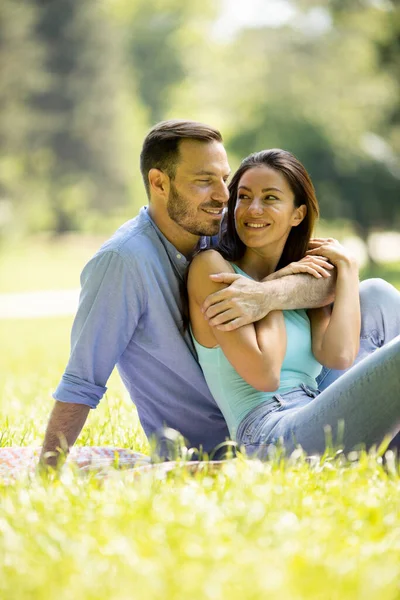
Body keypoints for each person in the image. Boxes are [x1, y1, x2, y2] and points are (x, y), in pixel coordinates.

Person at [39, 121, 336, 467]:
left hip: (292, 407)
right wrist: (46, 471)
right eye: (204, 181)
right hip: (212, 446)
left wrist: (267, 294)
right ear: (159, 183)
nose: (224, 196)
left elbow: (327, 277)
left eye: (223, 179)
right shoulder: (121, 263)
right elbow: (82, 381)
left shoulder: (223, 227)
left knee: (375, 302)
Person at [188, 149, 400, 457]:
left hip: (314, 407)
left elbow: (339, 356)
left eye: (270, 198)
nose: (253, 209)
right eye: (244, 197)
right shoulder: (212, 269)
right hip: (269, 434)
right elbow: (265, 375)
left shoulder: (298, 279)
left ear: (298, 214)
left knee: (378, 293)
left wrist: (348, 270)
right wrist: (271, 293)